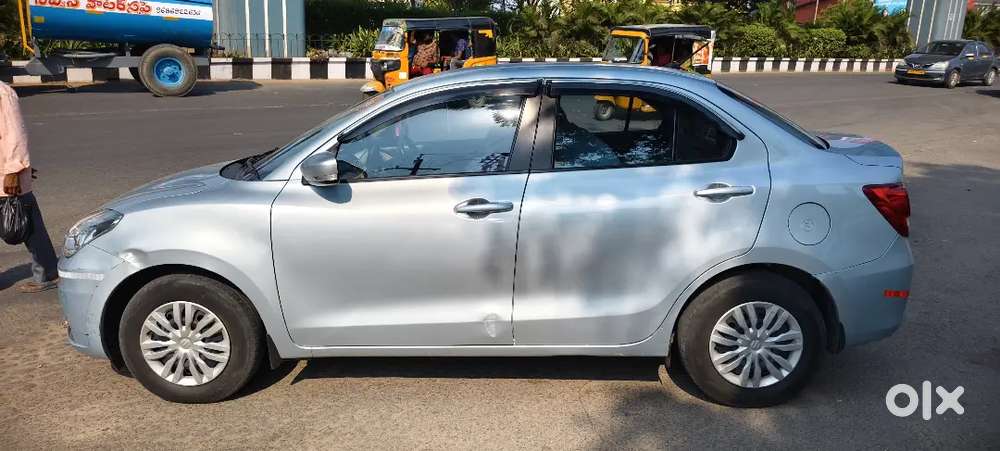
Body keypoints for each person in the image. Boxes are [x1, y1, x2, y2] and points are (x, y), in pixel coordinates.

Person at [1, 81, 58, 293]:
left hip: (6, 175)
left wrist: (14, 170)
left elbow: (14, 133)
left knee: (29, 226)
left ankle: (47, 273)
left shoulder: (3, 93)